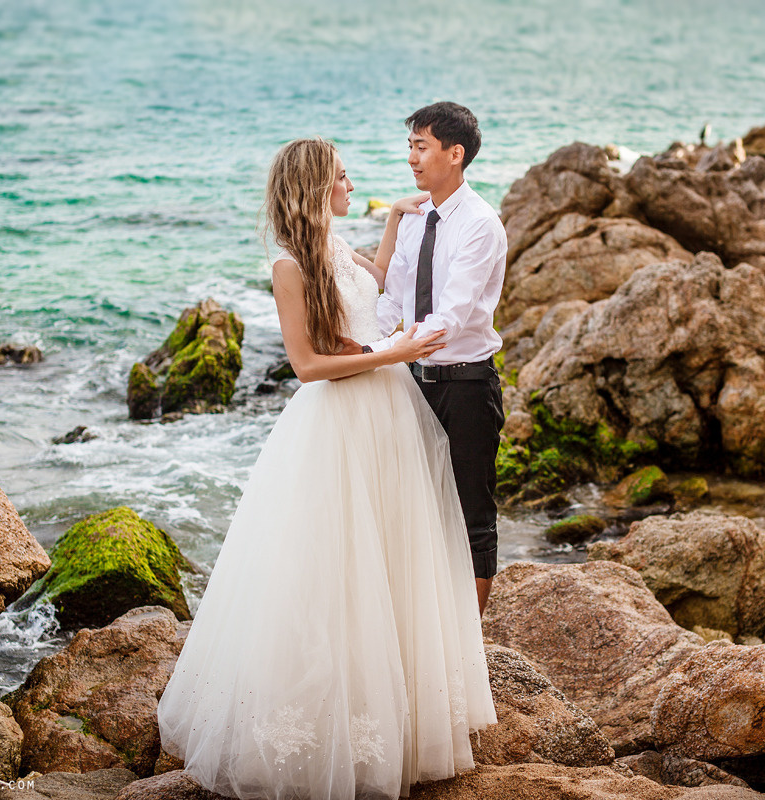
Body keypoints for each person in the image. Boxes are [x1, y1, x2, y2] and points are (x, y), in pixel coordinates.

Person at [157, 137, 496, 800]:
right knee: (333, 569)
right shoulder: (289, 265)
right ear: (315, 186)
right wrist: (391, 351)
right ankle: (326, 722)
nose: (351, 183)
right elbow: (309, 365)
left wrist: (396, 223)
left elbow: (372, 286)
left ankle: (397, 708)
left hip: (388, 414)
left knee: (390, 557)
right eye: (341, 176)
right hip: (338, 421)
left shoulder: (336, 246)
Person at [362, 102, 508, 615]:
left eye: (421, 147)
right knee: (412, 508)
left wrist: (380, 353)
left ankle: (470, 640)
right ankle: (424, 624)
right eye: (410, 147)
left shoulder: (480, 224)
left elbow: (452, 315)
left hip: (467, 388)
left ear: (455, 153)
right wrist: (365, 346)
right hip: (412, 383)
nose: (412, 159)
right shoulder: (414, 220)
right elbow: (394, 300)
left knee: (472, 513)